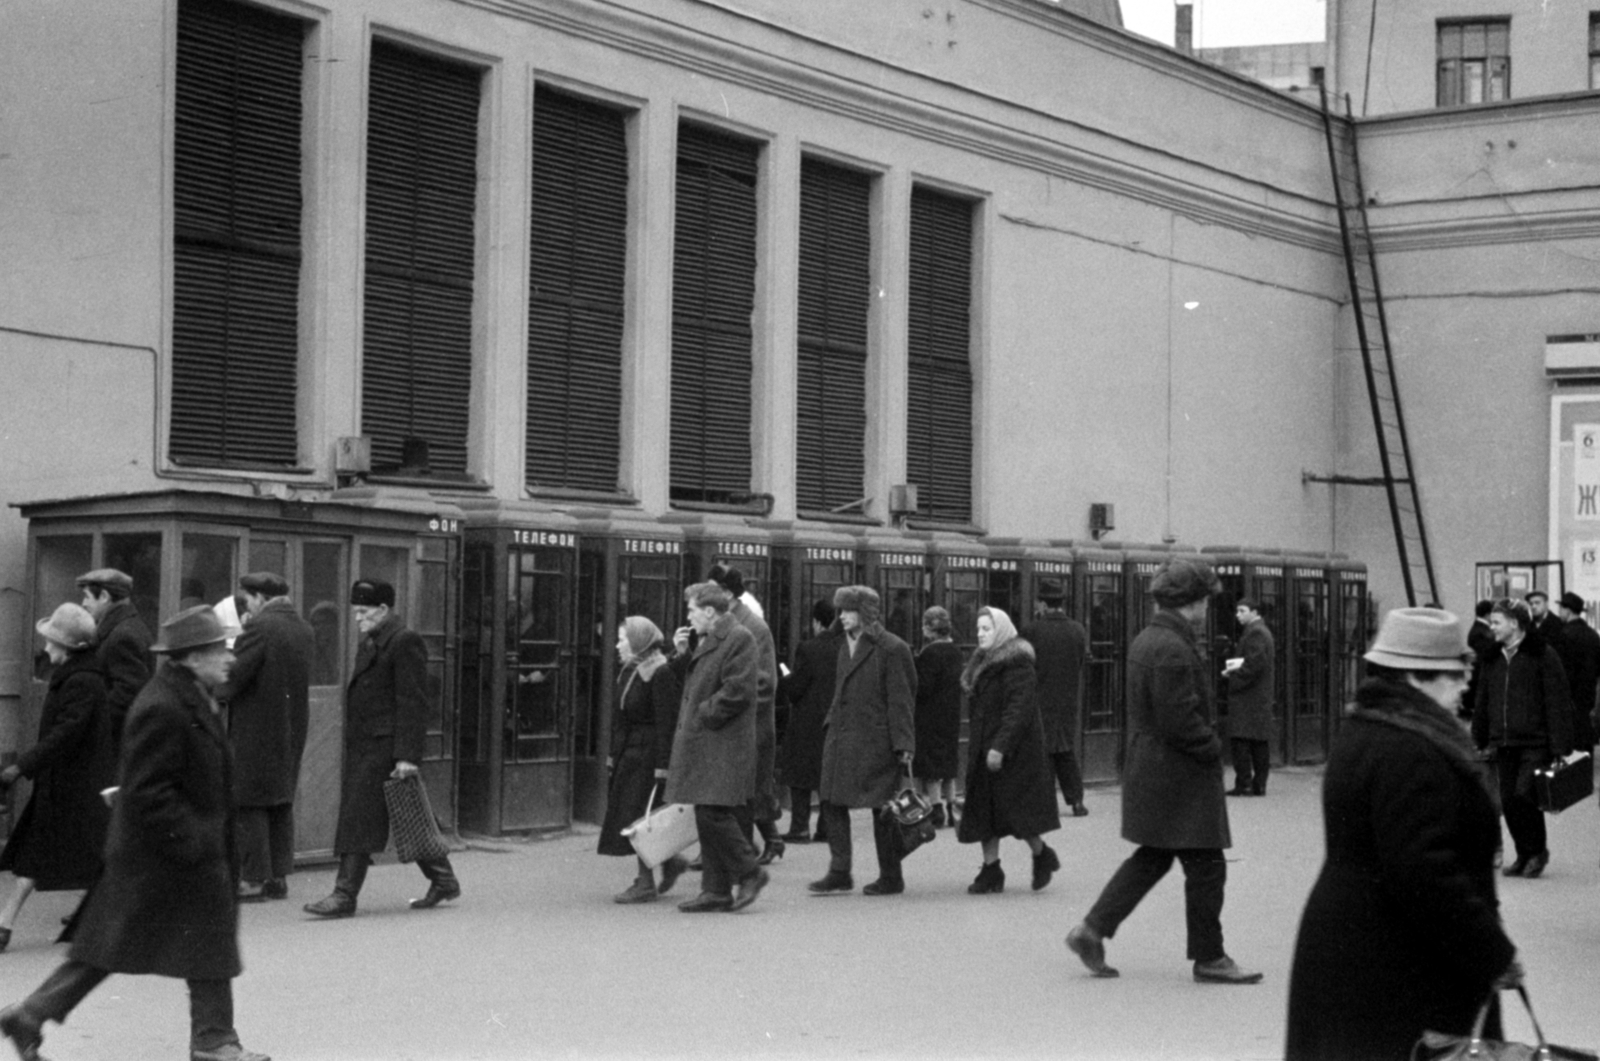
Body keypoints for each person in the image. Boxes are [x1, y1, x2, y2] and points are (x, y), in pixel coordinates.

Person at [0, 605, 270, 1061]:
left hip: (164, 854)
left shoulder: (188, 695)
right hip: (164, 857)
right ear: (190, 657)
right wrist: (197, 841)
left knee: (133, 944)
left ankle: (32, 1014)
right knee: (128, 945)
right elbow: (151, 791)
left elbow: (154, 777)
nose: (229, 659)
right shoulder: (164, 704)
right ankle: (213, 1040)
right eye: (219, 651)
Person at [1284, 608, 1520, 1061]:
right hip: (1398, 960)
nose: (1466, 682)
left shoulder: (1367, 728)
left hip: (1357, 943)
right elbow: (1422, 869)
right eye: (1453, 673)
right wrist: (1492, 950)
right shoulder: (1413, 750)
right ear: (1415, 677)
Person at [1065, 557, 1262, 985]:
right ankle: (1210, 957)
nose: (1208, 611)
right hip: (1181, 775)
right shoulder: (1174, 648)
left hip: (1151, 769)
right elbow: (1181, 720)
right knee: (1208, 867)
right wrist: (1213, 748)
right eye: (1205, 603)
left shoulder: (1147, 639)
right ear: (1190, 603)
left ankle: (1092, 928)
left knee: (1152, 857)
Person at [304, 580, 461, 918]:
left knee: (359, 818)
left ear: (384, 610)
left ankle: (344, 895)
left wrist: (407, 756)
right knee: (407, 813)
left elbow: (413, 702)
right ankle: (444, 879)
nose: (357, 618)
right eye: (356, 611)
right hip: (367, 744)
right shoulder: (374, 640)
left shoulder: (404, 642)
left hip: (385, 746)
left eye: (363, 612)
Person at [0, 604, 113, 953]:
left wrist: (21, 767)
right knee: (55, 856)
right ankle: (6, 923)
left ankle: (5, 925)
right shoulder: (78, 675)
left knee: (62, 857)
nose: (46, 648)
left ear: (68, 646)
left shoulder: (82, 681)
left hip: (73, 786)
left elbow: (66, 733)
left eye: (51, 641)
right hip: (67, 783)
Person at [665, 581, 768, 913]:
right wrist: (682, 654)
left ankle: (750, 870)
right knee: (706, 810)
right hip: (709, 740)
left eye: (692, 610)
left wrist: (704, 712)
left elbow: (739, 690)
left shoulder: (739, 638)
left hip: (723, 740)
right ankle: (716, 890)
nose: (688, 617)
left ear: (710, 611)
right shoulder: (710, 638)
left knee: (712, 812)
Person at [809, 586, 917, 898]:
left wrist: (904, 744)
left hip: (876, 739)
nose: (840, 616)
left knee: (883, 809)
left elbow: (902, 700)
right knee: (830, 798)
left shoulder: (892, 648)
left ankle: (891, 876)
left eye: (847, 610)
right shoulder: (845, 644)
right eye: (840, 610)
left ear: (865, 613)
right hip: (841, 735)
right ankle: (840, 871)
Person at [217, 572, 314, 903]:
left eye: (248, 600)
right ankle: (278, 877)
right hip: (291, 726)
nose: (247, 607)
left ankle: (253, 878)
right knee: (280, 800)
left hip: (256, 728)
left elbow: (232, 676)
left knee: (249, 801)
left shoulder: (260, 628)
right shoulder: (302, 627)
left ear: (259, 598)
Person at [958, 607, 1061, 894]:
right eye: (978, 629)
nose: (980, 634)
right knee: (983, 811)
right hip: (984, 746)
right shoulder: (982, 663)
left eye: (987, 629)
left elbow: (1019, 710)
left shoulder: (1018, 664)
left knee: (1016, 812)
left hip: (1014, 752)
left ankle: (1042, 854)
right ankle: (991, 870)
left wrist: (1000, 747)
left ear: (1001, 630)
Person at [1470, 598, 1573, 879]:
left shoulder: (1542, 654)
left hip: (1535, 741)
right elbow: (1483, 699)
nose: (1491, 628)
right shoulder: (1492, 658)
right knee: (1508, 800)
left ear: (1514, 624)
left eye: (1496, 622)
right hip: (1503, 740)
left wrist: (1559, 745)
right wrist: (1479, 735)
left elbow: (1557, 699)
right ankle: (1524, 853)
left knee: (1523, 796)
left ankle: (1537, 852)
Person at [598, 617, 687, 903]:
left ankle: (645, 883)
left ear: (638, 643)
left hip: (648, 756)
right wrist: (614, 754)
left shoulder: (659, 673)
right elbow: (621, 718)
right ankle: (670, 862)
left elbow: (666, 722)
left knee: (638, 820)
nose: (617, 644)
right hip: (630, 754)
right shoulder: (629, 670)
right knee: (631, 816)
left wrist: (664, 766)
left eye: (623, 639)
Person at [707, 564, 782, 864]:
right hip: (724, 720)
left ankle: (742, 855)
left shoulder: (754, 627)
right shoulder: (719, 622)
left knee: (744, 791)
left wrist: (727, 703)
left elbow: (765, 682)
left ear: (727, 593)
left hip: (747, 725)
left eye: (712, 589)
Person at [1020, 583, 1090, 817]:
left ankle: (1045, 801)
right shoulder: (1078, 630)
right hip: (1068, 699)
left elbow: (1024, 666)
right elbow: (1081, 662)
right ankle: (1076, 800)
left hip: (1040, 697)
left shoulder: (1032, 631)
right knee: (1065, 749)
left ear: (1042, 604)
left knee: (1044, 751)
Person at [777, 600, 840, 843]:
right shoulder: (844, 648)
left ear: (816, 622)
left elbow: (796, 689)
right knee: (826, 777)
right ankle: (825, 828)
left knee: (800, 777)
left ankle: (800, 827)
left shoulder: (808, 648)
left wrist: (785, 675)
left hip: (807, 722)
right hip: (833, 721)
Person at [75, 568, 154, 755]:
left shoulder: (122, 635)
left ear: (103, 596)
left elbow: (128, 694)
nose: (83, 604)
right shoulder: (127, 627)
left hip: (115, 746)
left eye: (87, 597)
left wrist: (92, 725)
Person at [913, 606, 963, 827]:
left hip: (930, 714)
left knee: (932, 764)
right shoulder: (956, 651)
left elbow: (923, 688)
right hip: (951, 712)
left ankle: (936, 808)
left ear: (930, 628)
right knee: (948, 761)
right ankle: (953, 807)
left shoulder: (930, 653)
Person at [1222, 598, 1275, 796]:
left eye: (1242, 611)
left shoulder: (1256, 632)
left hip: (1248, 697)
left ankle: (1244, 783)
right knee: (1259, 743)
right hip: (1258, 697)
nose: (1238, 614)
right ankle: (1258, 784)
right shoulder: (1261, 631)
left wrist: (1233, 678)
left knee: (1240, 741)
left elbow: (1254, 665)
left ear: (1254, 612)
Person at [1554, 591, 1600, 751]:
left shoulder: (1564, 635)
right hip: (1588, 696)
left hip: (1568, 697)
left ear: (1567, 610)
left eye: (1561, 608)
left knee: (1570, 743)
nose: (1559, 612)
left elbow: (1560, 670)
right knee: (1585, 738)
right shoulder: (1593, 635)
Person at [1463, 600, 1496, 723]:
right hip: (1482, 670)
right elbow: (1486, 652)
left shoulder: (1483, 628)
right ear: (1488, 614)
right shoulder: (1479, 631)